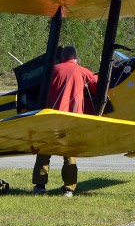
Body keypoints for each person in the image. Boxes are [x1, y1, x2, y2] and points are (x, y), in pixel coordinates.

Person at [32, 45, 98, 197]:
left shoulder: (53, 70)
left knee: (44, 153)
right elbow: (96, 85)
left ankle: (40, 186)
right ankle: (68, 188)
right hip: (72, 121)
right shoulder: (81, 70)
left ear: (62, 57)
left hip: (52, 118)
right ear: (75, 57)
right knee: (69, 155)